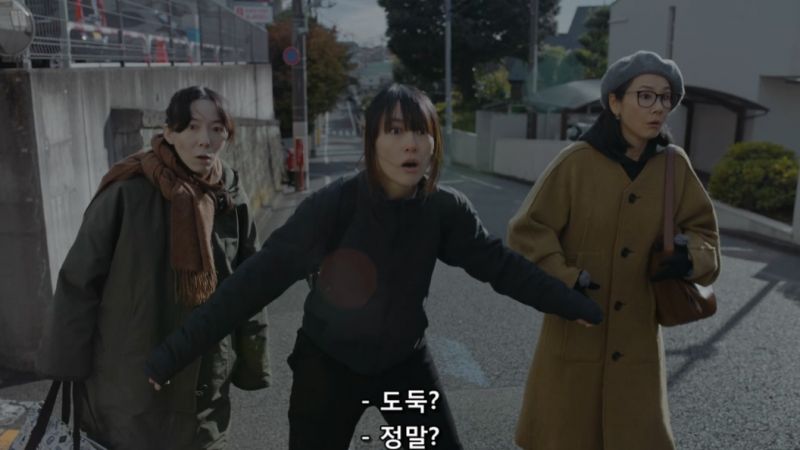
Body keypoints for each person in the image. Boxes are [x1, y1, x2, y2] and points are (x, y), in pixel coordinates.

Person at [144, 83, 604, 450]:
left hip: (404, 368)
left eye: (421, 131)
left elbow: (501, 267)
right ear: (372, 140)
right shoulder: (333, 206)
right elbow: (251, 284)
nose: (411, 144)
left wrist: (567, 301)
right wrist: (171, 355)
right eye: (395, 131)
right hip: (326, 370)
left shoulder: (444, 210)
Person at [36, 86, 270, 450]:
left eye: (217, 129)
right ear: (169, 132)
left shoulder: (229, 195)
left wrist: (251, 360)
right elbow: (79, 281)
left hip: (204, 377)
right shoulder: (126, 192)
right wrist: (67, 366)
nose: (205, 140)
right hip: (128, 378)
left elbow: (249, 285)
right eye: (192, 127)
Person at [508, 50, 721, 450]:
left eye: (665, 98)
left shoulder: (674, 166)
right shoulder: (576, 162)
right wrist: (564, 280)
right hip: (576, 333)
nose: (657, 107)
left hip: (638, 338)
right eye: (645, 96)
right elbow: (528, 231)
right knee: (567, 437)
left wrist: (690, 256)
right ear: (615, 103)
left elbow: (704, 231)